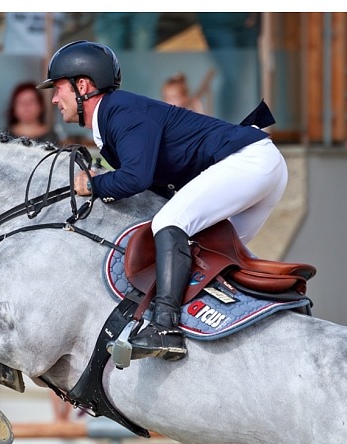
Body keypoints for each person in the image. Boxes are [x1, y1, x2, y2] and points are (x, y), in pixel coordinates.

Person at [37, 40, 287, 361]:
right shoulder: (115, 116)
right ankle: (248, 324)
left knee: (170, 222)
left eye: (58, 88)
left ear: (82, 85)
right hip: (262, 165)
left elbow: (135, 179)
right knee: (212, 251)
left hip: (248, 162)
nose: (55, 98)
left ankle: (165, 328)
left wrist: (92, 185)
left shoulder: (119, 111)